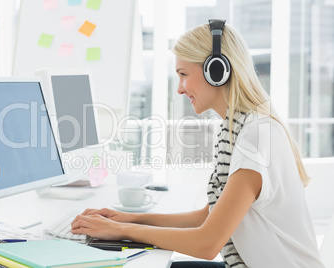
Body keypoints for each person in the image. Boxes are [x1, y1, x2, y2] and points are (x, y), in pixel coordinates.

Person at [71, 20, 324, 268]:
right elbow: (209, 217)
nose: (180, 89)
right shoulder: (236, 127)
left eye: (183, 74)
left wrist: (121, 231)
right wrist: (130, 219)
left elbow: (207, 243)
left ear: (216, 71)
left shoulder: (255, 136)